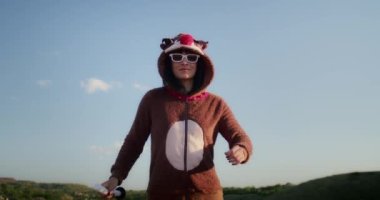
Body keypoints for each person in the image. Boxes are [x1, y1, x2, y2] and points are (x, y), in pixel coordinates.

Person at [101, 33, 253, 200]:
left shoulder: (216, 104)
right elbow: (134, 141)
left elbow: (240, 137)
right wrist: (116, 176)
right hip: (162, 194)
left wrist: (242, 150)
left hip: (207, 194)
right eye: (177, 57)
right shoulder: (152, 99)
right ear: (168, 63)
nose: (184, 61)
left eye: (191, 57)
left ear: (200, 64)